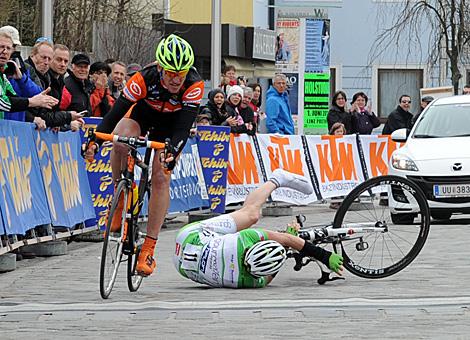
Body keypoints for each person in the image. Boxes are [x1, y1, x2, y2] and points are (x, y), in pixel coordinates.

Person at [84, 34, 204, 277]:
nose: (175, 79)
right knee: (119, 140)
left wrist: (172, 152)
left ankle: (149, 247)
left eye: (180, 73)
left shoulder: (193, 85)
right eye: (170, 72)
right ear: (160, 67)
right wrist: (95, 139)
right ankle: (119, 199)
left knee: (161, 177)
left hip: (171, 125)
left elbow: (182, 128)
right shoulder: (143, 78)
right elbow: (115, 113)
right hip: (143, 114)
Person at [173, 168, 343, 288]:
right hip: (181, 266)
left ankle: (277, 179)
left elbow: (286, 239)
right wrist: (284, 246)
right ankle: (278, 179)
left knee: (251, 214)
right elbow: (270, 273)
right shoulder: (249, 283)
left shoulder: (244, 239)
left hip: (191, 236)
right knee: (252, 218)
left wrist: (325, 256)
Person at [0, 32, 59, 120]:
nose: (5, 52)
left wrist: (21, 78)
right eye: (1, 47)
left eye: (9, 48)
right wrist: (31, 103)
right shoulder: (25, 67)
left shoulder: (14, 70)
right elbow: (2, 102)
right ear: (33, 54)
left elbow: (16, 98)